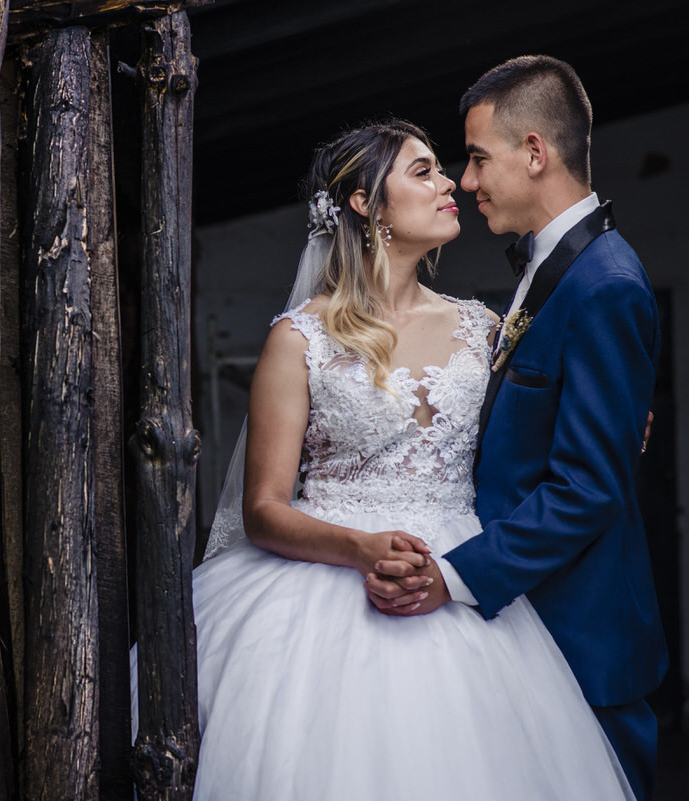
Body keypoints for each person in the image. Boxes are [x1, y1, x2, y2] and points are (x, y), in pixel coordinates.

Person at [187, 118, 637, 799]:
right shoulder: (299, 339)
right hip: (322, 589)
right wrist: (361, 547)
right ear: (366, 204)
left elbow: (548, 427)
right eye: (423, 171)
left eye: (443, 168)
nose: (450, 182)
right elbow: (263, 510)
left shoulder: (484, 328)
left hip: (457, 576)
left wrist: (627, 418)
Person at [364, 56, 667, 800]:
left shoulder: (606, 285)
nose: (466, 182)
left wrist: (455, 575)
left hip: (582, 637)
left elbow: (588, 487)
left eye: (475, 158)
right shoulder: (555, 269)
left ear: (535, 152)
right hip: (521, 629)